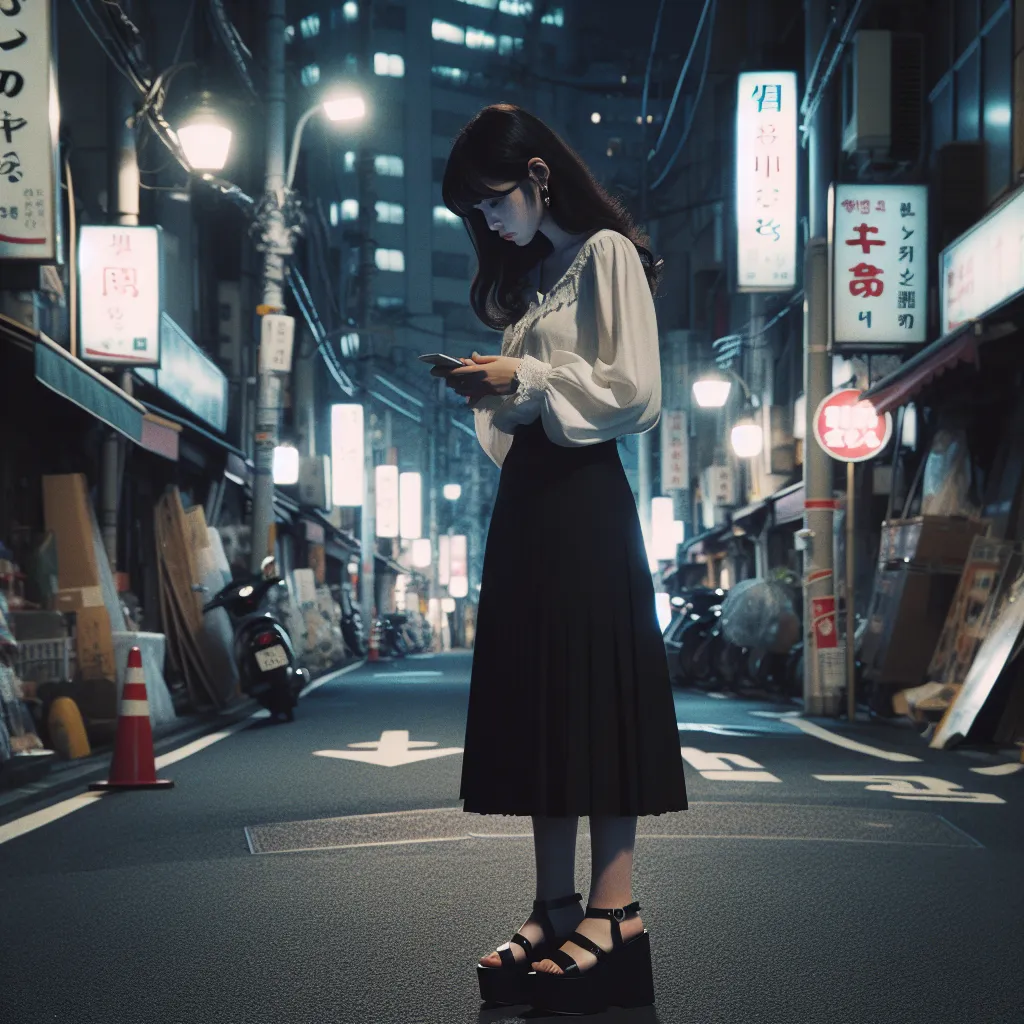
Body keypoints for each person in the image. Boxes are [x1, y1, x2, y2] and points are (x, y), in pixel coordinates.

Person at [435, 104, 688, 1016]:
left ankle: (615, 909)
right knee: (543, 692)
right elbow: (527, 413)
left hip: (584, 500)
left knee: (591, 687)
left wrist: (525, 377)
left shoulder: (607, 257)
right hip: (533, 504)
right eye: (474, 212)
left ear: (539, 176)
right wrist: (495, 383)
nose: (489, 223)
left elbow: (637, 393)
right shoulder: (539, 281)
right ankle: (555, 905)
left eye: (492, 201)